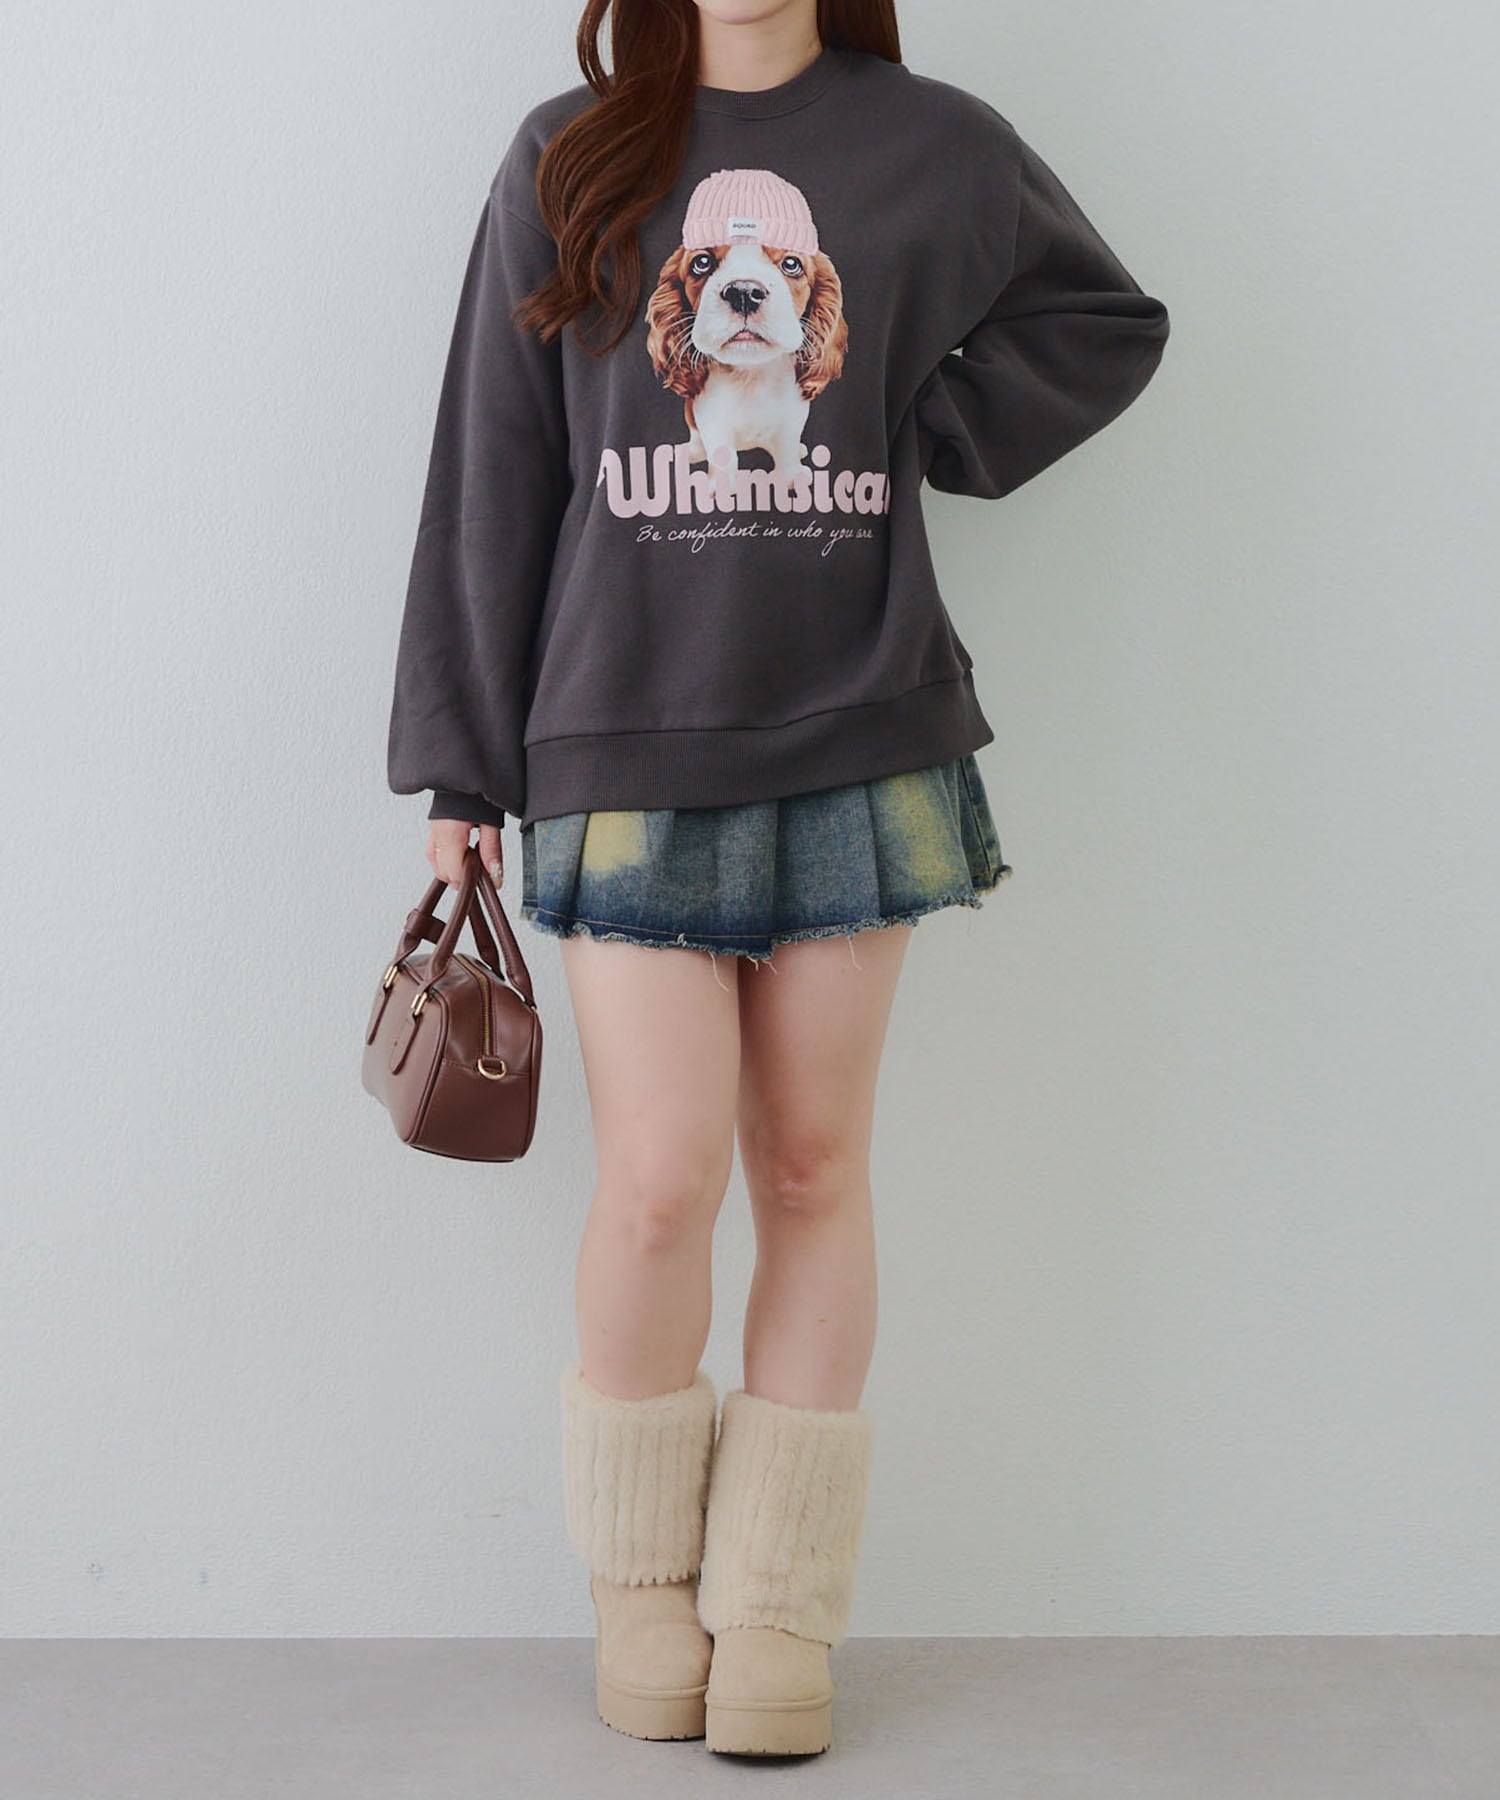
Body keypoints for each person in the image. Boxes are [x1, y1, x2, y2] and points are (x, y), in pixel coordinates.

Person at [385, 0, 1169, 1758]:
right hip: (618, 733)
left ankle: (779, 1607)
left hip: (861, 726)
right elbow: (494, 460)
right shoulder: (567, 156)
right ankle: (641, 1585)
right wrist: (462, 761)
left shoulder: (937, 145)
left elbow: (1106, 322)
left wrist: (923, 421)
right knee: (659, 1183)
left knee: (812, 1167)